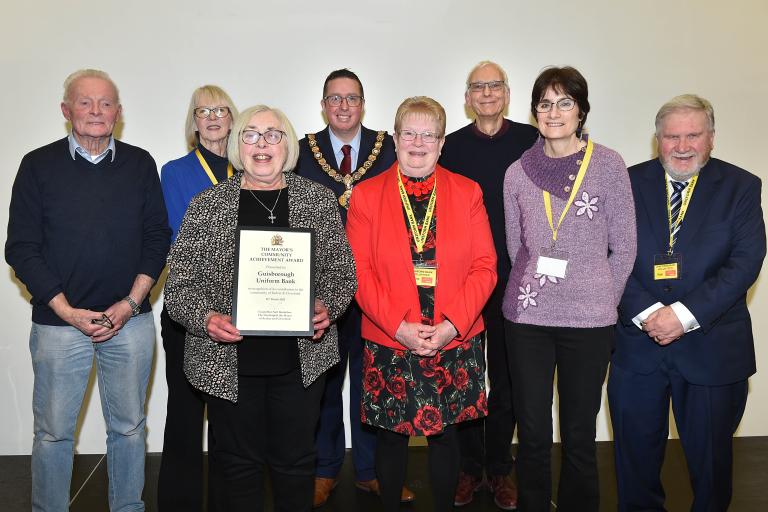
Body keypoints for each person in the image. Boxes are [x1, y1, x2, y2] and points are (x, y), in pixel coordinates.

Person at [164, 105, 357, 512]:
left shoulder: (318, 200)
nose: (262, 144)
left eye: (273, 135)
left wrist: (327, 306)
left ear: (287, 145)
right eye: (251, 135)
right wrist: (206, 320)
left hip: (300, 362)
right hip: (228, 362)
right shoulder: (207, 205)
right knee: (237, 469)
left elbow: (343, 273)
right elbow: (179, 286)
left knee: (296, 465)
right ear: (238, 144)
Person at [5, 68, 170, 511]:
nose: (96, 111)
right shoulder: (37, 166)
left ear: (118, 112)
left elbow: (158, 238)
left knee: (130, 428)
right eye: (85, 102)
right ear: (66, 110)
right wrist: (66, 310)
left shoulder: (140, 164)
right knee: (54, 433)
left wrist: (132, 302)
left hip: (130, 323)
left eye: (105, 103)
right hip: (59, 327)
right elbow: (21, 247)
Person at [609, 94, 766, 511]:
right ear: (656, 139)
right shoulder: (624, 182)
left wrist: (682, 315)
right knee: (634, 460)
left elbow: (746, 262)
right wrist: (647, 313)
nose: (682, 146)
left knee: (711, 464)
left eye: (693, 135)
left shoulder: (742, 187)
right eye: (671, 136)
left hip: (711, 348)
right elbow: (607, 253)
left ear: (711, 138)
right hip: (637, 345)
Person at [346, 96, 497, 512]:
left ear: (442, 142)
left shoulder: (467, 193)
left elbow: (485, 266)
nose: (417, 142)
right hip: (391, 336)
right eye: (408, 133)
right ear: (394, 139)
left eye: (427, 134)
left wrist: (451, 325)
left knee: (446, 435)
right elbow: (358, 272)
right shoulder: (365, 195)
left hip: (452, 334)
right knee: (391, 436)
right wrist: (399, 328)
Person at [502, 66, 636, 511]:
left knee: (580, 433)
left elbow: (626, 246)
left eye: (564, 102)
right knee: (534, 431)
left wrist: (600, 297)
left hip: (589, 321)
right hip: (528, 318)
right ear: (534, 112)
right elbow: (514, 246)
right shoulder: (517, 172)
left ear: (581, 111)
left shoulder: (609, 165)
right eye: (544, 103)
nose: (553, 112)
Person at [295, 68, 411, 507]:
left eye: (352, 98)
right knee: (324, 381)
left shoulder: (389, 149)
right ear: (323, 105)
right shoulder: (302, 151)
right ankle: (325, 469)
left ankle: (371, 471)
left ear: (364, 104)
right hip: (320, 289)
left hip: (377, 287)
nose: (343, 106)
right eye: (334, 98)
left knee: (372, 381)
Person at [439, 60, 537, 510]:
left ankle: (499, 468)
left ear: (507, 92)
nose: (486, 93)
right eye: (477, 86)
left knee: (505, 380)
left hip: (515, 280)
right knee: (462, 381)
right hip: (460, 283)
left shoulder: (531, 142)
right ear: (467, 96)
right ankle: (467, 467)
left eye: (494, 85)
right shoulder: (450, 147)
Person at [157, 85, 238, 512]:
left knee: (231, 420)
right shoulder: (174, 171)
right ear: (193, 121)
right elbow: (178, 239)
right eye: (202, 110)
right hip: (190, 310)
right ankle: (178, 502)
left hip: (240, 313)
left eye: (220, 109)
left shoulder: (250, 170)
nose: (211, 117)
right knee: (185, 416)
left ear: (231, 118)